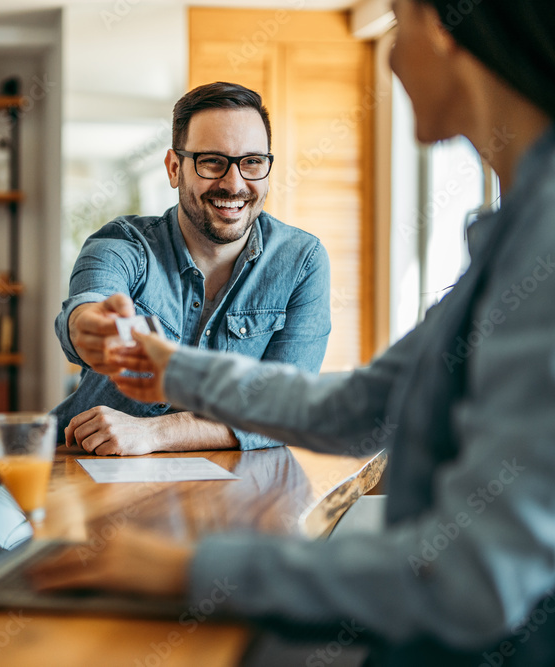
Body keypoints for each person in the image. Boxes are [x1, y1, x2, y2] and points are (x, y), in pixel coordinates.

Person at [32, 0, 555, 663]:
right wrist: (168, 367)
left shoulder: (541, 242)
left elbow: (474, 577)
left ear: (447, 30)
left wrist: (193, 569)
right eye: (212, 162)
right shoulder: (512, 231)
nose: (390, 56)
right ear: (175, 167)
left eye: (396, 22)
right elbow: (357, 407)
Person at [53, 82, 331, 456]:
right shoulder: (126, 243)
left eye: (252, 162)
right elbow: (89, 303)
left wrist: (153, 433)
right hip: (85, 469)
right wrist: (87, 327)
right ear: (174, 168)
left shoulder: (302, 261)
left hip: (236, 494)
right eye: (212, 161)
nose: (234, 184)